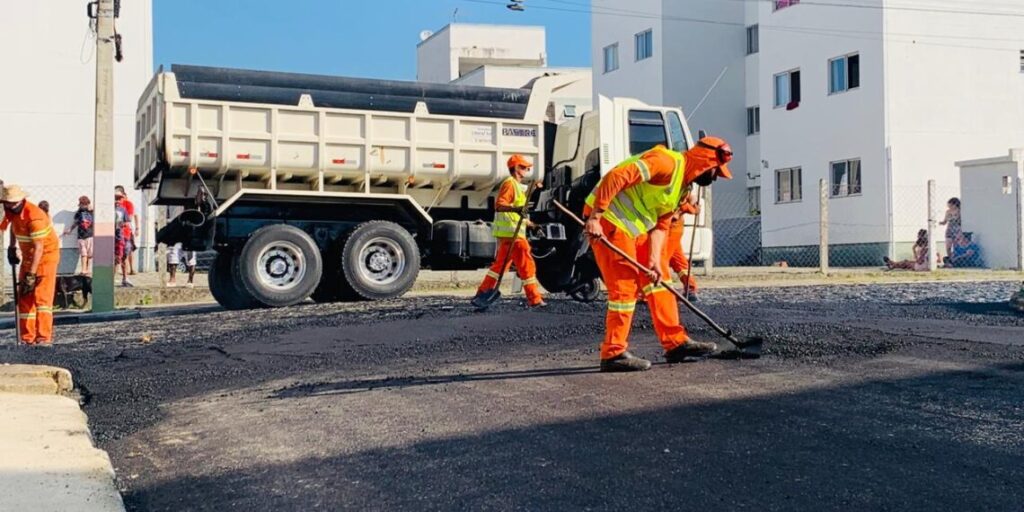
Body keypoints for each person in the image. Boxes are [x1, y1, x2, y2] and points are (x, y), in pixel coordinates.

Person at [583, 137, 733, 372]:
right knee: (625, 285)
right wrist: (595, 216)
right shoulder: (665, 162)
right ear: (706, 161)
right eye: (716, 171)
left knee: (660, 279)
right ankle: (613, 353)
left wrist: (653, 261)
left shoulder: (681, 187)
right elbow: (617, 176)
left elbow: (661, 225)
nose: (714, 177)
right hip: (608, 218)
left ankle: (675, 343)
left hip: (634, 227)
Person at [472, 155, 546, 307]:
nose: (528, 170)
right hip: (514, 235)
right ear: (517, 168)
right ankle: (535, 299)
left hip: (510, 234)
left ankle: (482, 293)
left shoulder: (518, 186)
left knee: (499, 267)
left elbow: (519, 215)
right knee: (527, 266)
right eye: (525, 167)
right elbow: (500, 205)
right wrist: (517, 209)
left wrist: (533, 225)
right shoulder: (510, 184)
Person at [1, 185, 60, 345]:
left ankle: (43, 338)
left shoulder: (35, 217)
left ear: (21, 200)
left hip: (46, 258)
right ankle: (27, 338)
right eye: (7, 203)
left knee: (42, 299)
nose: (10, 205)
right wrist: (12, 247)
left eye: (13, 203)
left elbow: (39, 247)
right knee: (25, 297)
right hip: (28, 258)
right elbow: (14, 227)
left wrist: (31, 275)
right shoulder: (12, 213)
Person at [62, 196, 94, 275]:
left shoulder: (92, 211)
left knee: (90, 254)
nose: (80, 205)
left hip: (90, 235)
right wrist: (70, 229)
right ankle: (83, 269)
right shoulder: (79, 212)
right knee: (83, 253)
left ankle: (88, 269)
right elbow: (76, 222)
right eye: (80, 204)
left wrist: (91, 207)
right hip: (81, 236)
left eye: (82, 204)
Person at [115, 185, 138, 275]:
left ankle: (130, 269)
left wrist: (136, 228)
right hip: (116, 232)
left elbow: (131, 217)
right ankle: (118, 270)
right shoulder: (113, 205)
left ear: (124, 195)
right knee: (117, 252)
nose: (117, 199)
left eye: (119, 196)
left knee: (128, 250)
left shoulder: (128, 204)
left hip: (126, 232)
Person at [115, 198, 132, 287]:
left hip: (122, 237)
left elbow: (128, 221)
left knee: (123, 258)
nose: (117, 201)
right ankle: (111, 279)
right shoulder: (108, 208)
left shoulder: (123, 209)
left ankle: (125, 278)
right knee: (115, 259)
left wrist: (124, 224)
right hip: (112, 238)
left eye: (118, 199)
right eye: (115, 199)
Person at [939, 197, 961, 261]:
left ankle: (956, 259)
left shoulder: (960, 211)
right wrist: (940, 223)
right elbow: (945, 221)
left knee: (956, 246)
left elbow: (960, 221)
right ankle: (950, 259)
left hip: (957, 230)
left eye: (950, 205)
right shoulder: (948, 212)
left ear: (955, 204)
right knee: (948, 246)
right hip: (949, 230)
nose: (949, 206)